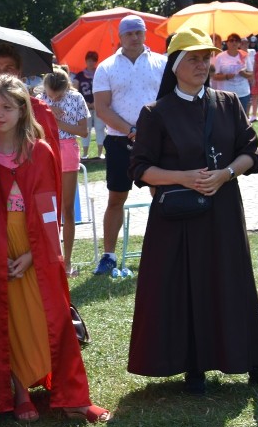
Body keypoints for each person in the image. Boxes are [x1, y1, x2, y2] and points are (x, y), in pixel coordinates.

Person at [127, 27, 258, 394]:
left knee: (231, 281)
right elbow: (140, 169)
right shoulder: (156, 113)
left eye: (206, 58)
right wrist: (183, 177)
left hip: (223, 212)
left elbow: (252, 153)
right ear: (175, 65)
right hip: (178, 220)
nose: (202, 65)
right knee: (188, 285)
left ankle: (251, 360)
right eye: (193, 59)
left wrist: (226, 173)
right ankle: (194, 366)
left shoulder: (228, 103)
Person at [0, 75, 111, 423]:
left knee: (47, 316)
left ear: (23, 109)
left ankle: (69, 392)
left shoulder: (40, 151)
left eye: (7, 106)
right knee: (12, 318)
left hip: (34, 244)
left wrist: (35, 253)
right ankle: (20, 392)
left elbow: (51, 211)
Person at [92, 14, 166, 275]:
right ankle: (109, 255)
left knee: (160, 195)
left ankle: (164, 250)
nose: (134, 37)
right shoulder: (107, 67)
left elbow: (169, 102)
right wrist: (132, 130)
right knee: (116, 198)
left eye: (139, 32)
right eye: (129, 33)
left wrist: (149, 131)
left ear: (145, 34)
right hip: (118, 140)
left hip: (157, 141)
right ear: (120, 37)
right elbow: (102, 108)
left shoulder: (162, 63)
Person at [37, 70, 89, 275]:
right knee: (48, 208)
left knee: (67, 209)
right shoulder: (39, 100)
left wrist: (58, 122)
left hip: (67, 150)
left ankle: (67, 262)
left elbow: (84, 131)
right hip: (44, 150)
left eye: (58, 96)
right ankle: (49, 259)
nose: (54, 98)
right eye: (51, 95)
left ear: (66, 88)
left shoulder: (76, 98)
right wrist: (47, 110)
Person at [73, 51, 106, 159]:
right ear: (86, 61)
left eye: (93, 61)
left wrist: (97, 102)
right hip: (84, 106)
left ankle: (100, 153)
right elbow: (75, 90)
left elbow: (105, 89)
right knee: (85, 129)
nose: (90, 63)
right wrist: (83, 102)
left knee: (100, 128)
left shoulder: (100, 73)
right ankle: (85, 153)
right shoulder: (80, 75)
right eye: (88, 61)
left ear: (96, 62)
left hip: (99, 106)